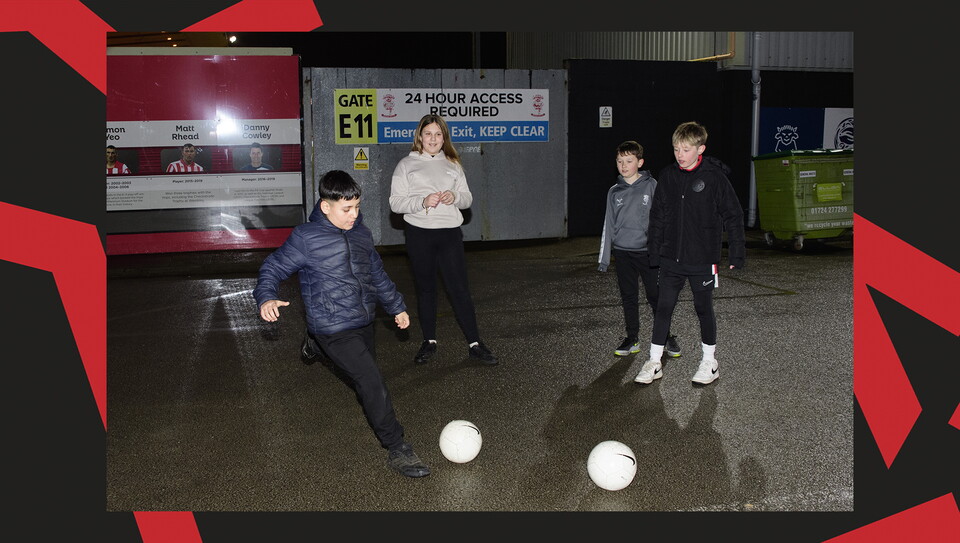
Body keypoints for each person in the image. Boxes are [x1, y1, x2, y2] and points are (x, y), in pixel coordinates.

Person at [253, 170, 430, 478]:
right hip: (331, 326)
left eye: (357, 207)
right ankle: (397, 446)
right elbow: (273, 267)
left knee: (364, 380)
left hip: (363, 320)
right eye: (346, 209)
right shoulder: (306, 238)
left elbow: (376, 274)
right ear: (325, 206)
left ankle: (315, 347)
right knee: (372, 381)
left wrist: (396, 306)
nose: (354, 215)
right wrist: (267, 297)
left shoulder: (361, 233)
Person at [634, 121, 745, 386]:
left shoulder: (715, 178)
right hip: (671, 258)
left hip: (702, 259)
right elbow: (658, 216)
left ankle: (710, 362)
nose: (680, 154)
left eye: (685, 149)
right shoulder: (669, 176)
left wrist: (737, 253)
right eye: (676, 149)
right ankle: (654, 361)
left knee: (703, 308)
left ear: (700, 149)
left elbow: (734, 214)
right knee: (663, 307)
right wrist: (654, 252)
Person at [388, 114, 498, 366]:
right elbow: (395, 203)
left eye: (438, 134)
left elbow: (467, 198)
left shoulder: (453, 164)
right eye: (428, 134)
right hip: (419, 233)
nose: (433, 139)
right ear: (420, 136)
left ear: (444, 138)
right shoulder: (406, 164)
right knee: (426, 290)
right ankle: (429, 341)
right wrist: (421, 201)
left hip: (449, 233)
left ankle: (475, 343)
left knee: (459, 289)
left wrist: (454, 197)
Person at [598, 140, 681, 359]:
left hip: (648, 253)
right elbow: (608, 224)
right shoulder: (614, 191)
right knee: (629, 297)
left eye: (629, 161)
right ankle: (632, 338)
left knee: (656, 296)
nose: (623, 165)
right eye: (619, 161)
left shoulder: (652, 185)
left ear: (640, 162)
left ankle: (665, 337)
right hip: (623, 253)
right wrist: (605, 258)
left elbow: (664, 219)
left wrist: (666, 250)